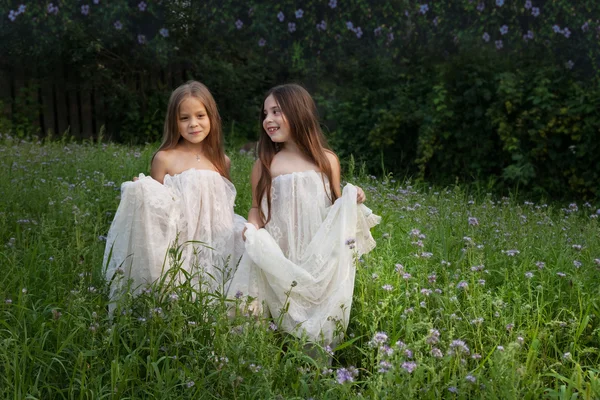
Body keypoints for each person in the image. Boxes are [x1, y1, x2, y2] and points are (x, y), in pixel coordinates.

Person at [229, 83, 380, 346]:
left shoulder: (326, 160)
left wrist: (353, 198)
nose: (268, 120)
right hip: (280, 248)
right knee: (277, 301)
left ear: (298, 113)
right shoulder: (265, 164)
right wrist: (252, 228)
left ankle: (315, 350)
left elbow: (336, 204)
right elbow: (256, 206)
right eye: (265, 114)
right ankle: (275, 349)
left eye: (276, 111)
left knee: (315, 304)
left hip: (316, 249)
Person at [104, 81, 245, 312]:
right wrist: (145, 190)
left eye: (200, 115)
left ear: (211, 117)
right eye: (184, 118)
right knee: (180, 296)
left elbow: (222, 204)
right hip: (180, 241)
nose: (193, 124)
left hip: (215, 240)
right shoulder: (165, 159)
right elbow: (155, 210)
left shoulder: (222, 160)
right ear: (174, 122)